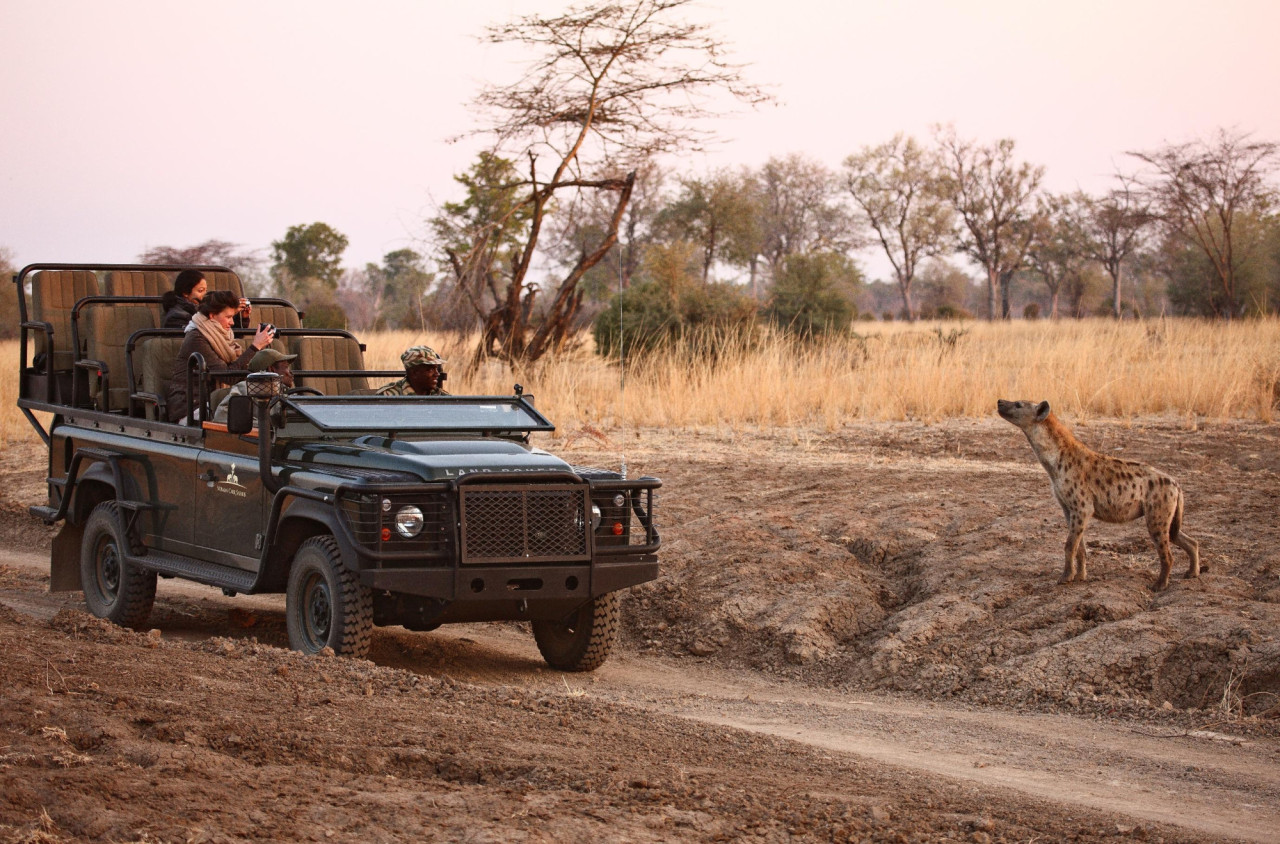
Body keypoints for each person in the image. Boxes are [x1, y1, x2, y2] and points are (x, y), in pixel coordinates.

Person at [165, 290, 275, 423]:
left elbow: (237, 370)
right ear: (212, 316)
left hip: (215, 403)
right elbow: (228, 376)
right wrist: (255, 347)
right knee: (247, 422)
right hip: (192, 408)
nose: (232, 322)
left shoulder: (222, 336)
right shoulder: (196, 338)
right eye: (228, 317)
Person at [212, 348, 297, 423]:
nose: (290, 373)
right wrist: (263, 426)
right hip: (256, 439)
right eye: (286, 367)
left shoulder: (287, 392)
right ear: (271, 369)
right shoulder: (246, 388)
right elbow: (222, 415)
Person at [376, 345, 450, 396]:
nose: (437, 374)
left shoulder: (442, 397)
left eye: (436, 368)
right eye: (430, 370)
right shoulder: (389, 396)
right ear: (414, 373)